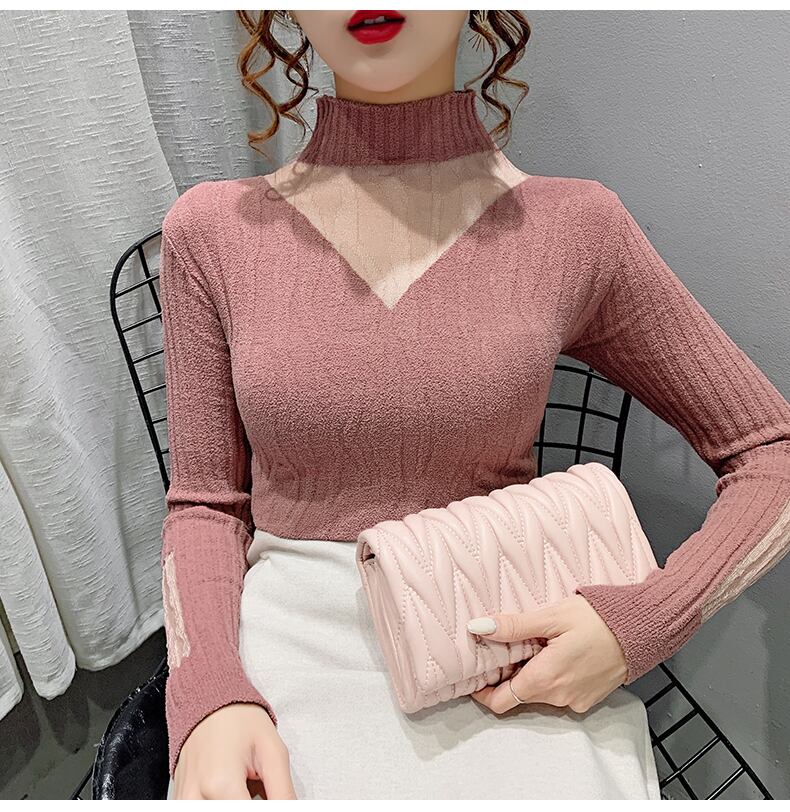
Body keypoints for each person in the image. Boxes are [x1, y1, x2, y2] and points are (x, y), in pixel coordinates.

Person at [160, 11, 790, 800]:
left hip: (508, 655)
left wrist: (647, 620)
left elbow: (772, 453)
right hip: (286, 660)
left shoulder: (575, 228)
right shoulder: (212, 232)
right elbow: (206, 505)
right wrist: (209, 692)